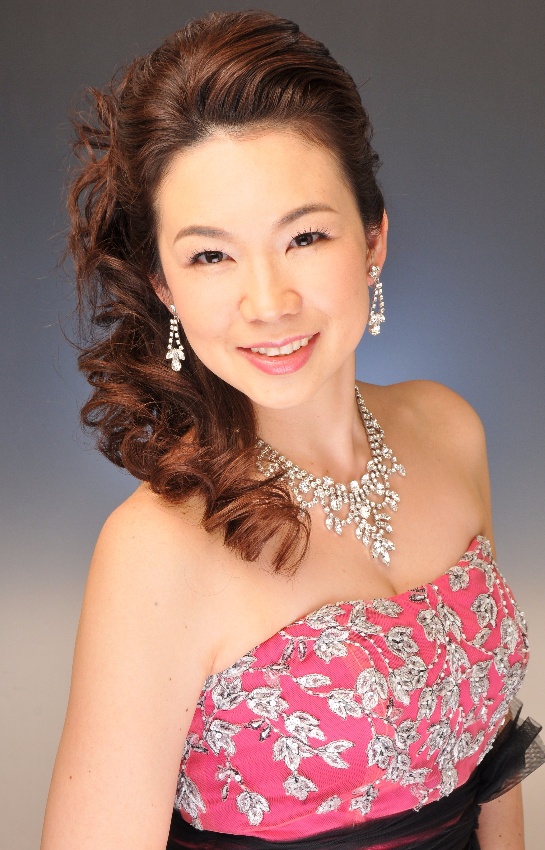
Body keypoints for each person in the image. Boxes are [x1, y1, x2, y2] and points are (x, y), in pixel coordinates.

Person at [41, 10, 543, 850]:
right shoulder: (155, 550)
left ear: (373, 239)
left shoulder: (448, 428)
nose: (267, 302)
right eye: (211, 255)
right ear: (164, 285)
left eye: (304, 236)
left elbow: (494, 772)